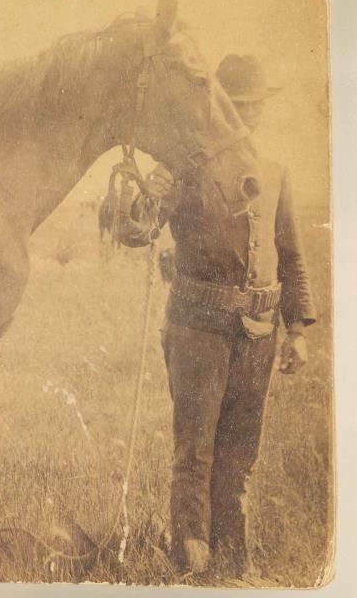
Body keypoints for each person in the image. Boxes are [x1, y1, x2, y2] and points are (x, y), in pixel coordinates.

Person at [119, 54, 317, 579]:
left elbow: (292, 256)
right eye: (238, 106)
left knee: (240, 455)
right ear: (219, 109)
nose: (247, 116)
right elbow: (137, 231)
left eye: (255, 107)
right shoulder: (186, 169)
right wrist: (147, 192)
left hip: (260, 334)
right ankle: (191, 559)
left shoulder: (275, 172)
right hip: (197, 330)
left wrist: (297, 330)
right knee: (195, 453)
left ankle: (233, 561)